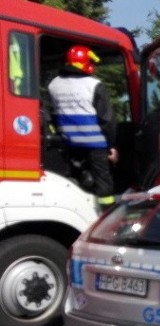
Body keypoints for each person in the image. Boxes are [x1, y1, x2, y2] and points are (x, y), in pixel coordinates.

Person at [48, 45, 118, 209]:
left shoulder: (53, 84)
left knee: (72, 178)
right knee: (104, 183)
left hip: (68, 143)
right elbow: (107, 119)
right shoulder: (94, 84)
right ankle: (106, 214)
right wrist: (111, 146)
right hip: (96, 144)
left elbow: (53, 112)